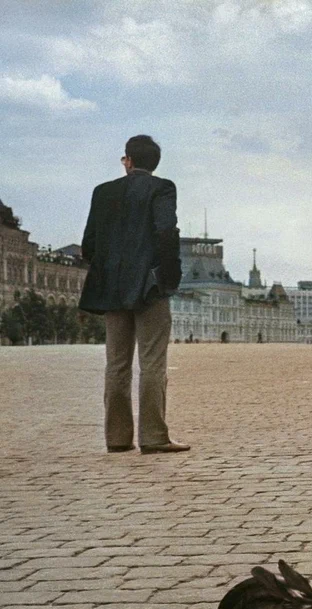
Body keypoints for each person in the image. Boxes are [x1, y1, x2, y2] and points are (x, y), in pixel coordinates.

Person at [80, 135, 187, 454]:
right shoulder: (162, 188)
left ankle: (117, 437)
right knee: (152, 362)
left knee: (116, 364)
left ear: (128, 160)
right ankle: (153, 437)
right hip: (149, 287)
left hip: (112, 288)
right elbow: (166, 232)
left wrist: (110, 269)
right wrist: (168, 277)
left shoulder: (103, 192)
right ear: (154, 162)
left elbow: (89, 245)